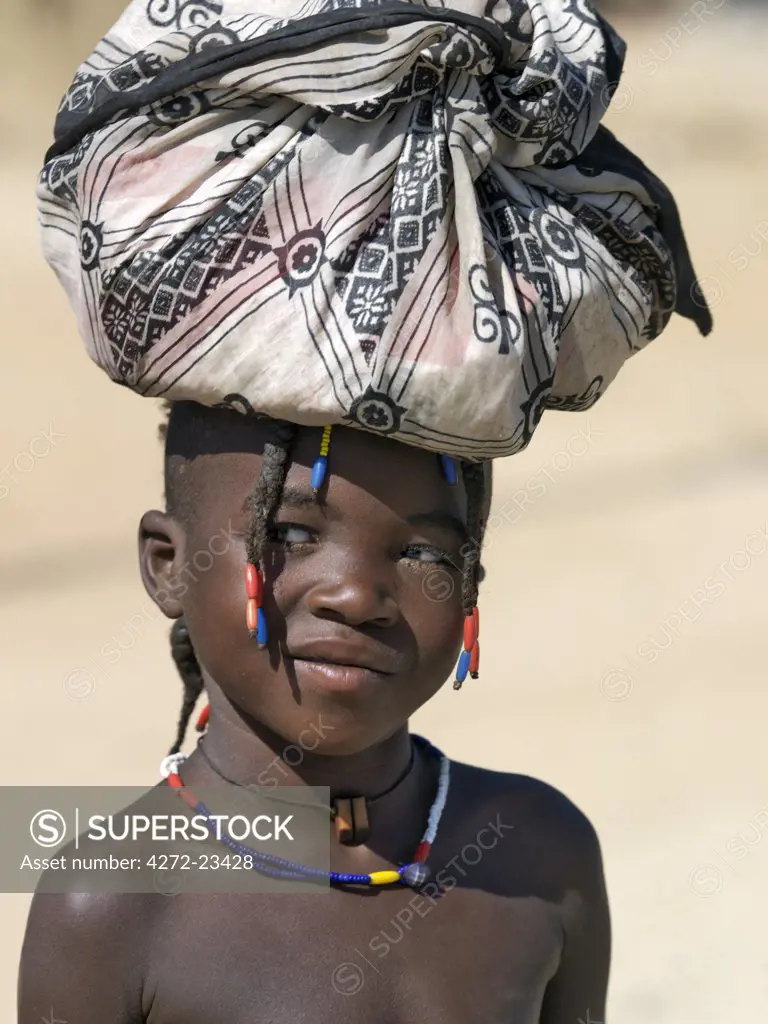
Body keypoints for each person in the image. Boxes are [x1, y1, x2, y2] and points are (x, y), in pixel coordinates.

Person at [22, 0, 710, 1020]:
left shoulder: (539, 859)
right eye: (290, 534)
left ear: (477, 582)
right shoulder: (113, 896)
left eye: (428, 553)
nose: (357, 593)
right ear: (165, 563)